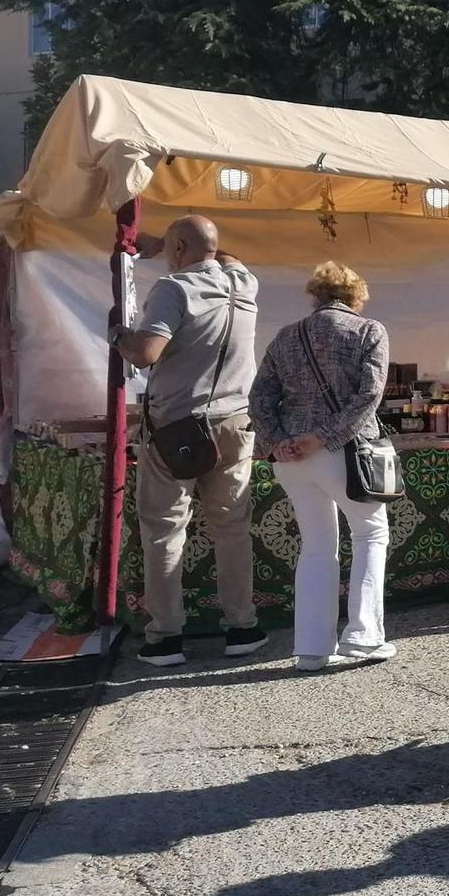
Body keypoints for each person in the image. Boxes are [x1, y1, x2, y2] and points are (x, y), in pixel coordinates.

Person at [112, 214, 265, 667]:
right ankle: (242, 627)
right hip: (235, 422)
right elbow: (225, 256)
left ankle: (166, 637)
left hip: (177, 426)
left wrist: (118, 335)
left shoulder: (173, 289)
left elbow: (146, 353)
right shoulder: (244, 283)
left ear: (178, 249)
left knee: (164, 531)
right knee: (232, 529)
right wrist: (173, 243)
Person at [250, 262, 394, 673]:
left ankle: (312, 649)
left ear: (315, 295)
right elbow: (369, 396)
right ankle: (363, 634)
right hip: (341, 453)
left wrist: (277, 440)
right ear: (356, 296)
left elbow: (259, 398)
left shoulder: (285, 336)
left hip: (292, 458)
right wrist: (324, 436)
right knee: (370, 533)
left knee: (316, 547)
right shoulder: (370, 330)